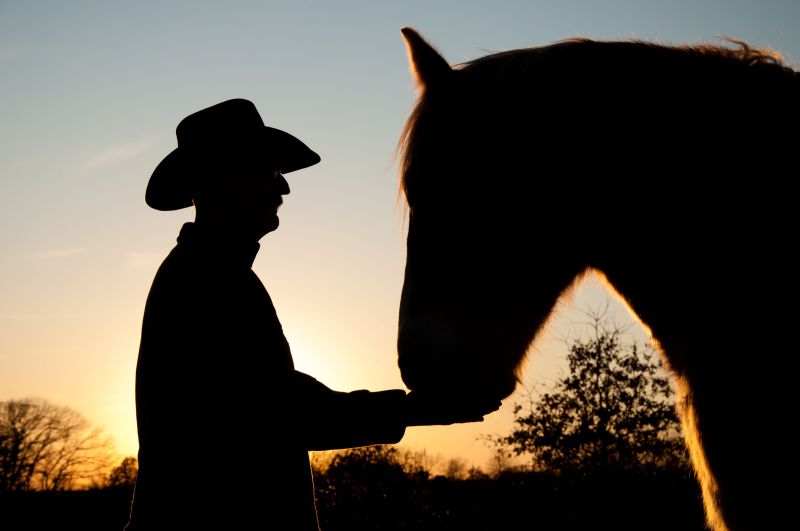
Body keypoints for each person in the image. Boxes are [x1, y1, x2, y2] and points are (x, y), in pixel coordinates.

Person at [125, 98, 499, 530]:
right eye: (271, 171)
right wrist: (414, 409)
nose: (283, 189)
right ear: (222, 178)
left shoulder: (210, 276)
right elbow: (276, 413)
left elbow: (268, 408)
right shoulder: (204, 281)